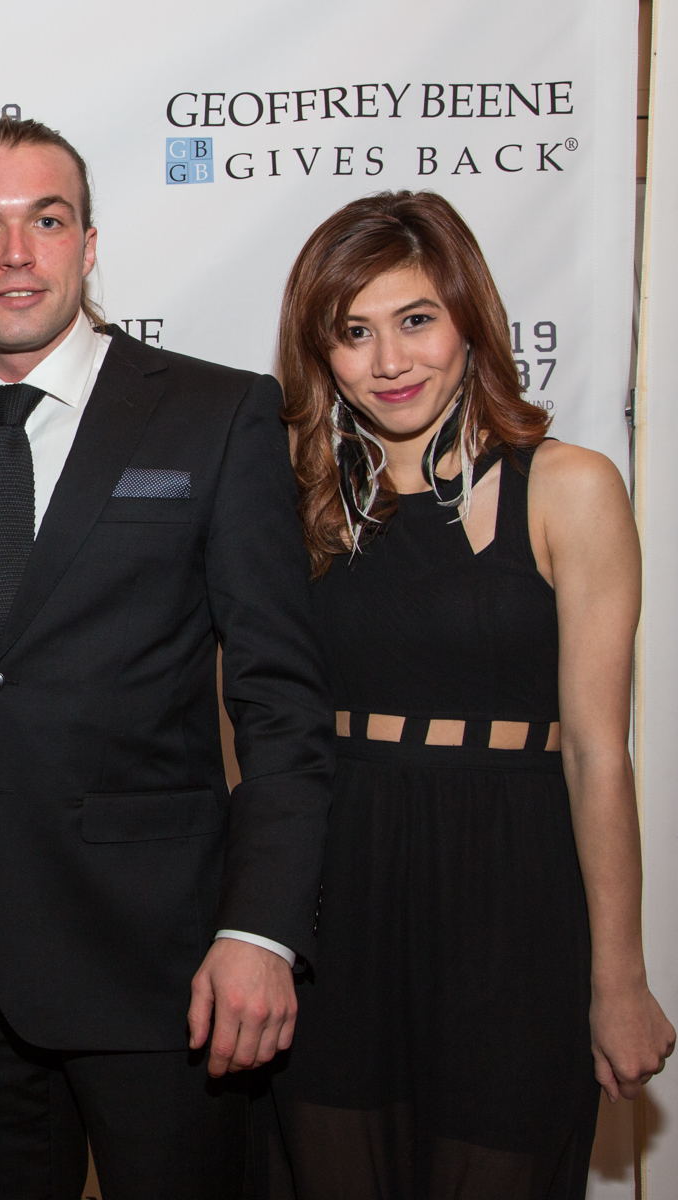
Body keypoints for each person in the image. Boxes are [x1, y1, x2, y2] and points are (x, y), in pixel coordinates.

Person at [0, 117, 336, 1198]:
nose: (16, 253)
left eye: (47, 219)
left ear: (90, 243)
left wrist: (263, 929)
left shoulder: (216, 415)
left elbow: (280, 706)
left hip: (165, 971)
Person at [268, 190, 674, 1198]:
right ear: (320, 355)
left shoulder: (571, 487)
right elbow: (260, 729)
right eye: (352, 334)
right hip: (341, 896)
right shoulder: (298, 500)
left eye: (415, 320)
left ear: (468, 321)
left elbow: (595, 752)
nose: (389, 361)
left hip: (515, 899)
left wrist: (618, 976)